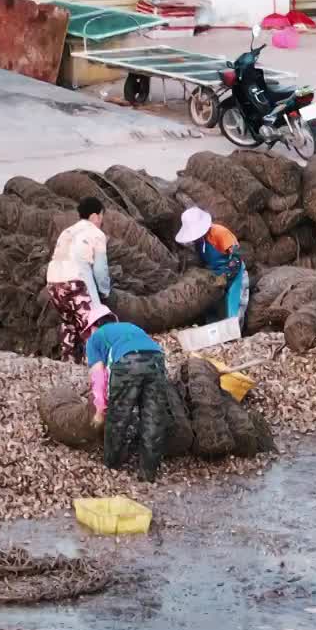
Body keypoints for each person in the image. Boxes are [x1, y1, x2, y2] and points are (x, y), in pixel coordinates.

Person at [85, 307, 170, 482]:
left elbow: (99, 377)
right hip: (156, 359)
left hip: (128, 361)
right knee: (152, 417)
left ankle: (111, 466)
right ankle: (148, 474)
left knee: (118, 416)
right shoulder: (129, 327)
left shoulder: (94, 339)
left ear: (93, 327)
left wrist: (100, 411)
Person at [46, 196, 111, 363]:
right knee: (91, 327)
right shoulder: (97, 234)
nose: (101, 221)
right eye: (102, 216)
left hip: (53, 283)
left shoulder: (67, 232)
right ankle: (95, 367)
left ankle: (69, 364)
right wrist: (104, 292)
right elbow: (100, 270)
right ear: (95, 216)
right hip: (76, 282)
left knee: (68, 324)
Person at [176, 206, 248, 327]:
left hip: (234, 274)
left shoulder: (219, 232)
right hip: (216, 275)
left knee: (233, 307)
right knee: (212, 307)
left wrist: (226, 276)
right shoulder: (198, 242)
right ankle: (214, 334)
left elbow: (236, 257)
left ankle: (235, 336)